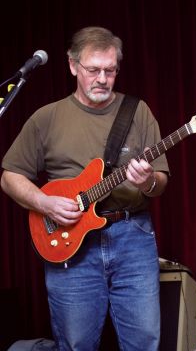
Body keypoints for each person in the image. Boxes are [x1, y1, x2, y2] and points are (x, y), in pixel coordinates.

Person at [1, 26, 169, 351]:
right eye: (93, 70)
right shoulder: (46, 118)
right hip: (69, 243)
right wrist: (44, 203)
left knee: (144, 342)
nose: (102, 79)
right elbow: (10, 176)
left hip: (132, 236)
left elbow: (159, 181)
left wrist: (147, 180)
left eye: (110, 70)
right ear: (73, 66)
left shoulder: (138, 112)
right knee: (76, 344)